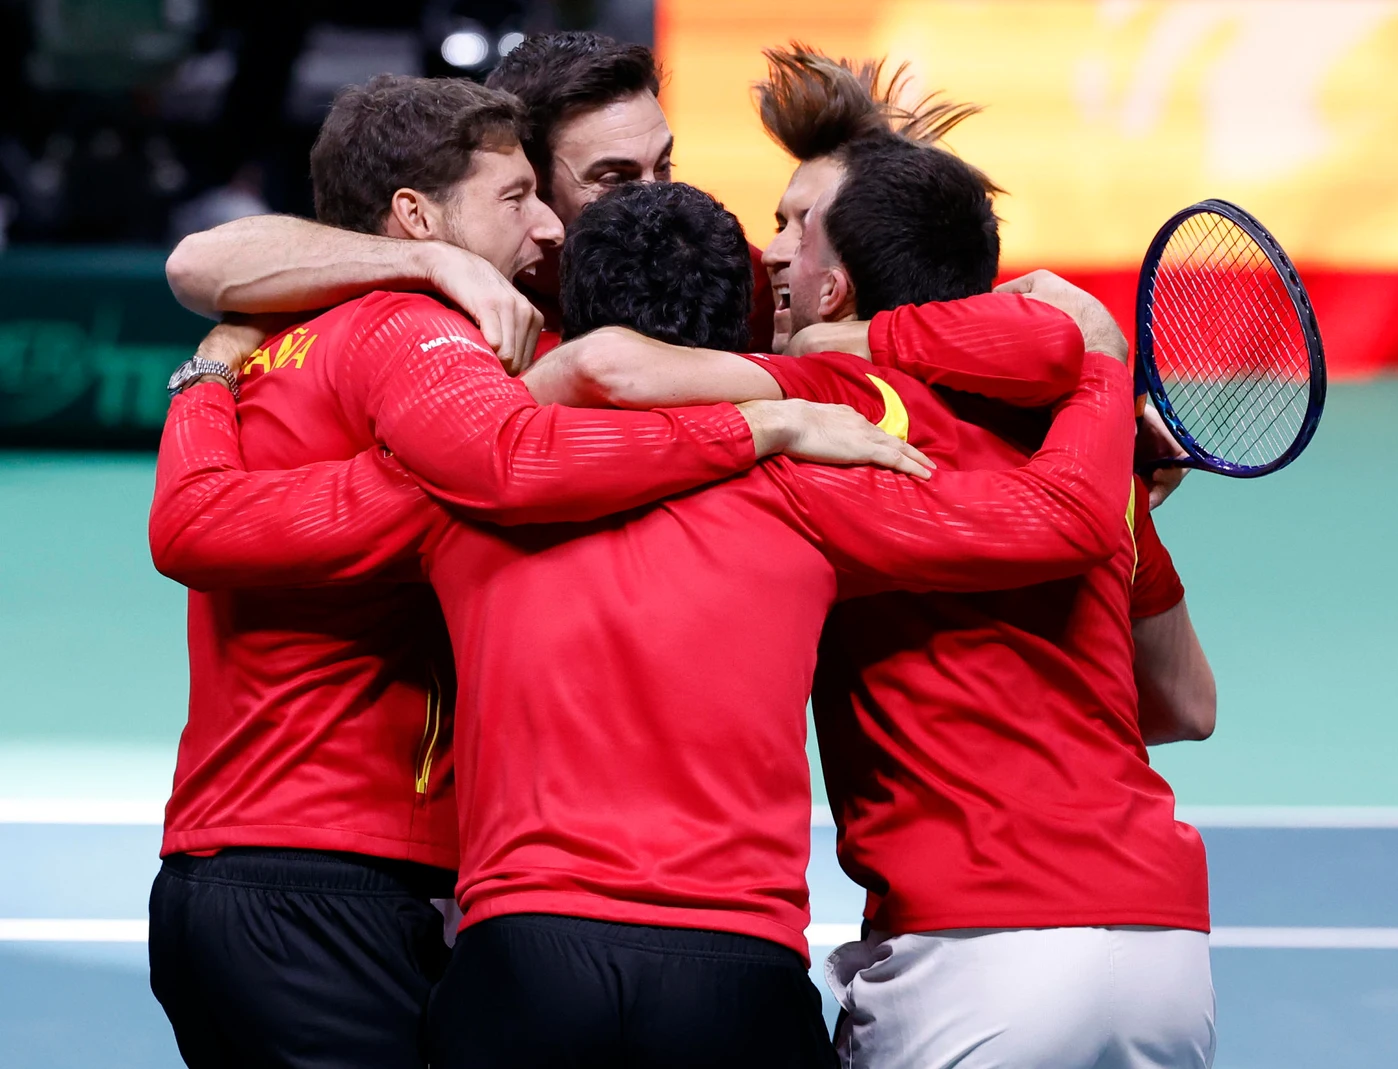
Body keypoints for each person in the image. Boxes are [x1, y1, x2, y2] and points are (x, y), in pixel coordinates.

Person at [154, 177, 1136, 1067]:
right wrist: (1098, 371)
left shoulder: (469, 486)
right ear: (746, 318)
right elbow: (1059, 521)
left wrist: (208, 382)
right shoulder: (810, 484)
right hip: (735, 975)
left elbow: (215, 523)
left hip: (522, 966)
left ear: (565, 310)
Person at [533, 47, 1219, 1068]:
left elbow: (604, 371)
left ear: (839, 279)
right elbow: (1182, 705)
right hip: (1162, 954)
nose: (767, 249)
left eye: (790, 224)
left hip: (974, 950)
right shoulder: (1070, 435)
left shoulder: (820, 411)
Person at [165, 32, 773, 367]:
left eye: (663, 164)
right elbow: (196, 265)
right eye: (612, 178)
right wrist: (435, 261)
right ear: (524, 177)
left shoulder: (707, 257)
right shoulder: (442, 301)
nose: (656, 199)